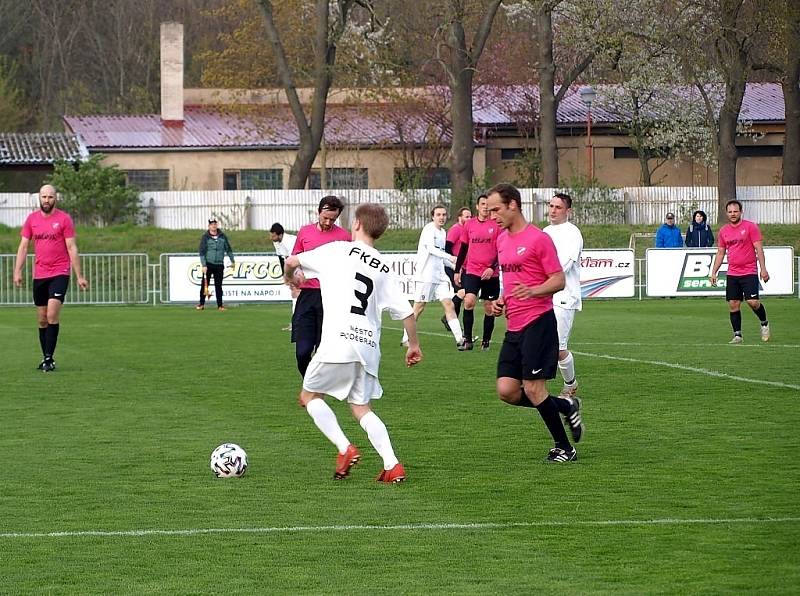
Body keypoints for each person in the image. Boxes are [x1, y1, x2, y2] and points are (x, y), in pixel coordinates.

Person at [283, 203, 422, 483]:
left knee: (308, 397)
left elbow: (291, 262)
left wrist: (292, 281)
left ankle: (345, 448)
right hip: (368, 347)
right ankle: (392, 464)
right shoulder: (383, 265)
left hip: (338, 340)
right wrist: (413, 345)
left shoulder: (337, 249)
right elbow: (406, 312)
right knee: (361, 408)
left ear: (356, 223)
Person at [486, 183, 583, 463]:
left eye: (496, 209)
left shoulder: (538, 239)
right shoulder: (502, 240)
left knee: (533, 388)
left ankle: (565, 447)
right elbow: (510, 281)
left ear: (513, 205)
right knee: (507, 391)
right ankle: (566, 405)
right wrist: (500, 301)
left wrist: (533, 291)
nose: (492, 215)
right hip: (514, 325)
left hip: (538, 322)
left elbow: (558, 279)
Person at [13, 184, 89, 372]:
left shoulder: (64, 219)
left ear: (56, 198)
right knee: (41, 320)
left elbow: (72, 247)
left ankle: (49, 359)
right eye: (44, 197)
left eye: (50, 197)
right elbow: (23, 247)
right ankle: (45, 356)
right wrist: (17, 271)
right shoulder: (32, 220)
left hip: (60, 272)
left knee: (51, 314)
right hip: (40, 274)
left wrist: (79, 276)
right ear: (39, 197)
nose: (47, 200)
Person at [289, 196, 351, 376]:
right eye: (325, 217)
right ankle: (309, 385)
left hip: (331, 299)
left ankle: (315, 392)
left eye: (333, 219)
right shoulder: (304, 232)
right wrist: (296, 273)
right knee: (302, 352)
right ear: (318, 212)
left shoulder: (344, 238)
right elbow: (295, 259)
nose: (328, 222)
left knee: (325, 352)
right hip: (307, 296)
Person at [401, 204, 464, 349]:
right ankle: (405, 338)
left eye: (444, 215)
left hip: (439, 275)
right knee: (418, 308)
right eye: (438, 215)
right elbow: (431, 249)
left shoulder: (443, 232)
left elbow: (440, 257)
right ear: (433, 216)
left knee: (449, 305)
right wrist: (451, 257)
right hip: (426, 276)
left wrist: (455, 267)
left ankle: (460, 339)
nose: (442, 217)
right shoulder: (429, 229)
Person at [710, 200, 770, 344]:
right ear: (726, 213)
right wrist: (714, 272)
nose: (733, 214)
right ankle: (738, 335)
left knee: (753, 302)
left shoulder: (751, 227)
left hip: (749, 271)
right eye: (730, 212)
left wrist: (763, 269)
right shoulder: (724, 231)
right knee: (733, 304)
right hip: (732, 273)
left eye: (735, 211)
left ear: (741, 211)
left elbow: (759, 249)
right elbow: (720, 253)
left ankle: (764, 323)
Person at [543, 192, 583, 398]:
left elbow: (566, 263)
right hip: (543, 295)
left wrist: (547, 280)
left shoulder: (572, 232)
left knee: (558, 347)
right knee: (539, 341)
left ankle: (570, 384)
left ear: (568, 211)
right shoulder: (545, 231)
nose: (553, 210)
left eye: (558, 207)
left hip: (564, 295)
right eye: (551, 206)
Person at [454, 194, 500, 351]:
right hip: (472, 270)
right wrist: (457, 270)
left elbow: (501, 249)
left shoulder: (496, 225)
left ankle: (486, 341)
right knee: (468, 302)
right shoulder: (469, 225)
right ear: (477, 206)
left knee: (489, 308)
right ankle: (467, 340)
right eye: (483, 204)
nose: (485, 207)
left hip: (491, 273)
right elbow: (463, 248)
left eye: (488, 204)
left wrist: (491, 267)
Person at [442, 205, 472, 325]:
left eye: (470, 216)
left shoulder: (467, 230)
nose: (469, 219)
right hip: (454, 267)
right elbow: (447, 248)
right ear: (460, 218)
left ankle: (450, 319)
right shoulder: (455, 229)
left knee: (463, 293)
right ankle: (449, 318)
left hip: (464, 267)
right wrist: (455, 267)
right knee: (463, 292)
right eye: (467, 216)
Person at [197, 218, 235, 311]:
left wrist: (232, 260)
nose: (213, 226)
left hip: (219, 265)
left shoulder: (222, 236)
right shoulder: (205, 237)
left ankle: (220, 305)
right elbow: (202, 252)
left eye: (215, 224)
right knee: (204, 285)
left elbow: (228, 249)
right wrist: (204, 265)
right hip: (209, 264)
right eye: (211, 224)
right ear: (209, 226)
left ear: (216, 225)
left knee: (219, 286)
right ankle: (201, 304)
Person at [270, 222, 298, 331]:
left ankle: (296, 323)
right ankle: (295, 323)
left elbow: (294, 260)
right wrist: (285, 275)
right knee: (294, 294)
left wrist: (290, 276)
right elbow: (281, 259)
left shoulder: (290, 241)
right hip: (291, 267)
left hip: (299, 266)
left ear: (280, 235)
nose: (271, 238)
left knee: (296, 293)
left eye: (273, 236)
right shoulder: (277, 242)